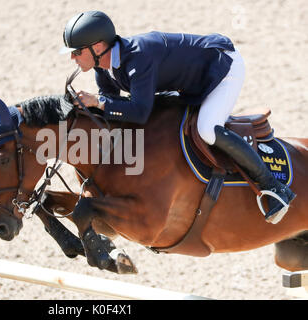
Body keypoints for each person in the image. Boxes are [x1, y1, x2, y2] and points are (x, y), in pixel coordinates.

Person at [59, 10, 295, 224]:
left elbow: (139, 111)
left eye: (77, 52)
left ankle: (274, 187)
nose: (73, 59)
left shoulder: (138, 59)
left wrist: (99, 102)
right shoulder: (103, 66)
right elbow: (112, 108)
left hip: (221, 69)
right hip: (188, 82)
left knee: (207, 129)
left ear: (98, 47)